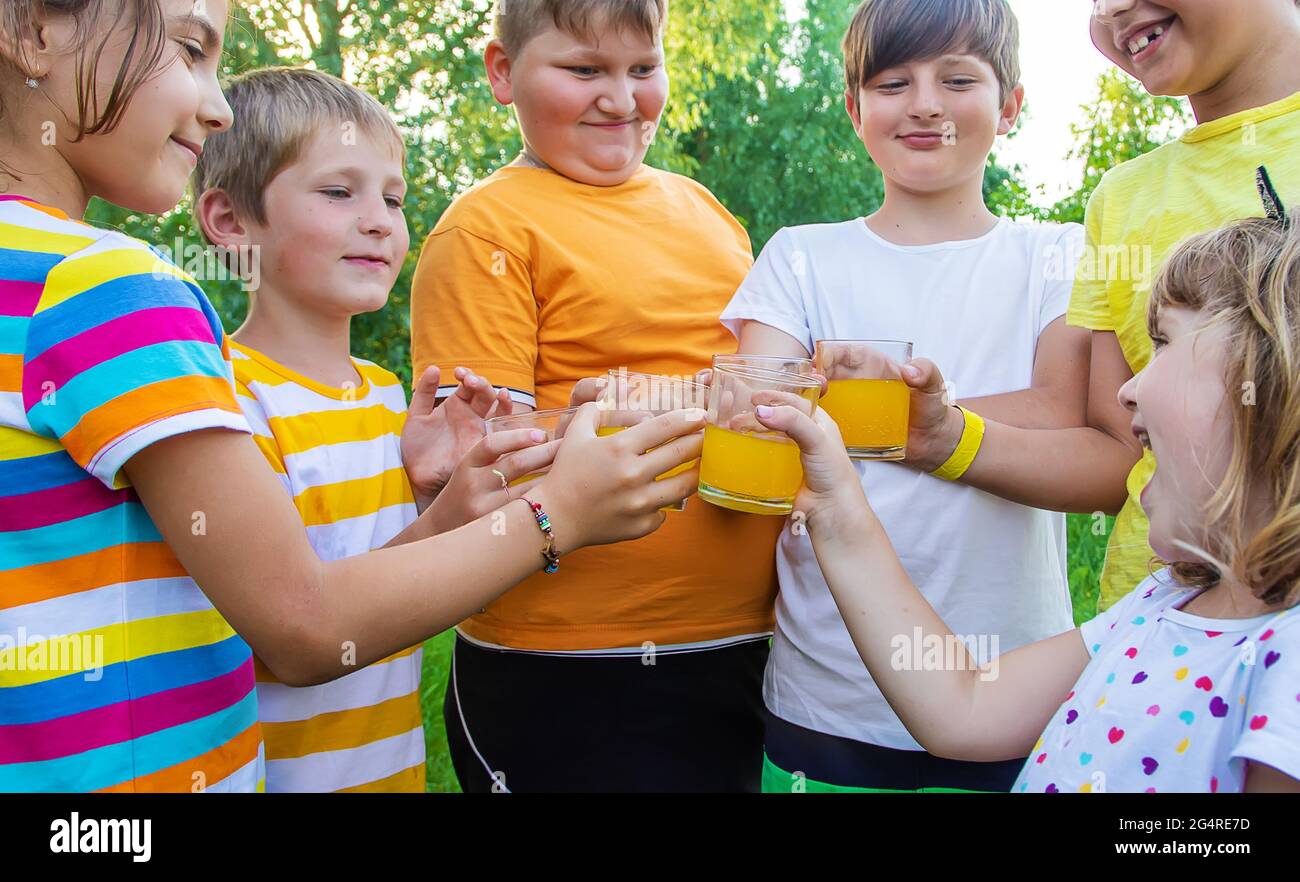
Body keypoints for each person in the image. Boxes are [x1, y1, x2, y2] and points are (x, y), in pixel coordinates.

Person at [0, 0, 702, 792]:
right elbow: (303, 628)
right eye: (189, 49)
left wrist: (446, 515)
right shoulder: (104, 284)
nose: (216, 105)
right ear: (32, 31)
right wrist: (556, 515)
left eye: (392, 201)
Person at [756, 200, 1300, 793]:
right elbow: (962, 708)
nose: (1127, 389)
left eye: (1163, 343)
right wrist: (835, 512)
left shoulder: (1286, 663)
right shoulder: (1164, 603)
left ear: (1271, 387)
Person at [409, 0, 784, 792]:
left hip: (747, 642)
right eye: (585, 71)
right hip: (567, 657)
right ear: (503, 73)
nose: (620, 98)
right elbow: (493, 467)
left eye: (642, 69)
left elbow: (758, 389)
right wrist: (677, 404)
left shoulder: (710, 215)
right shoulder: (486, 230)